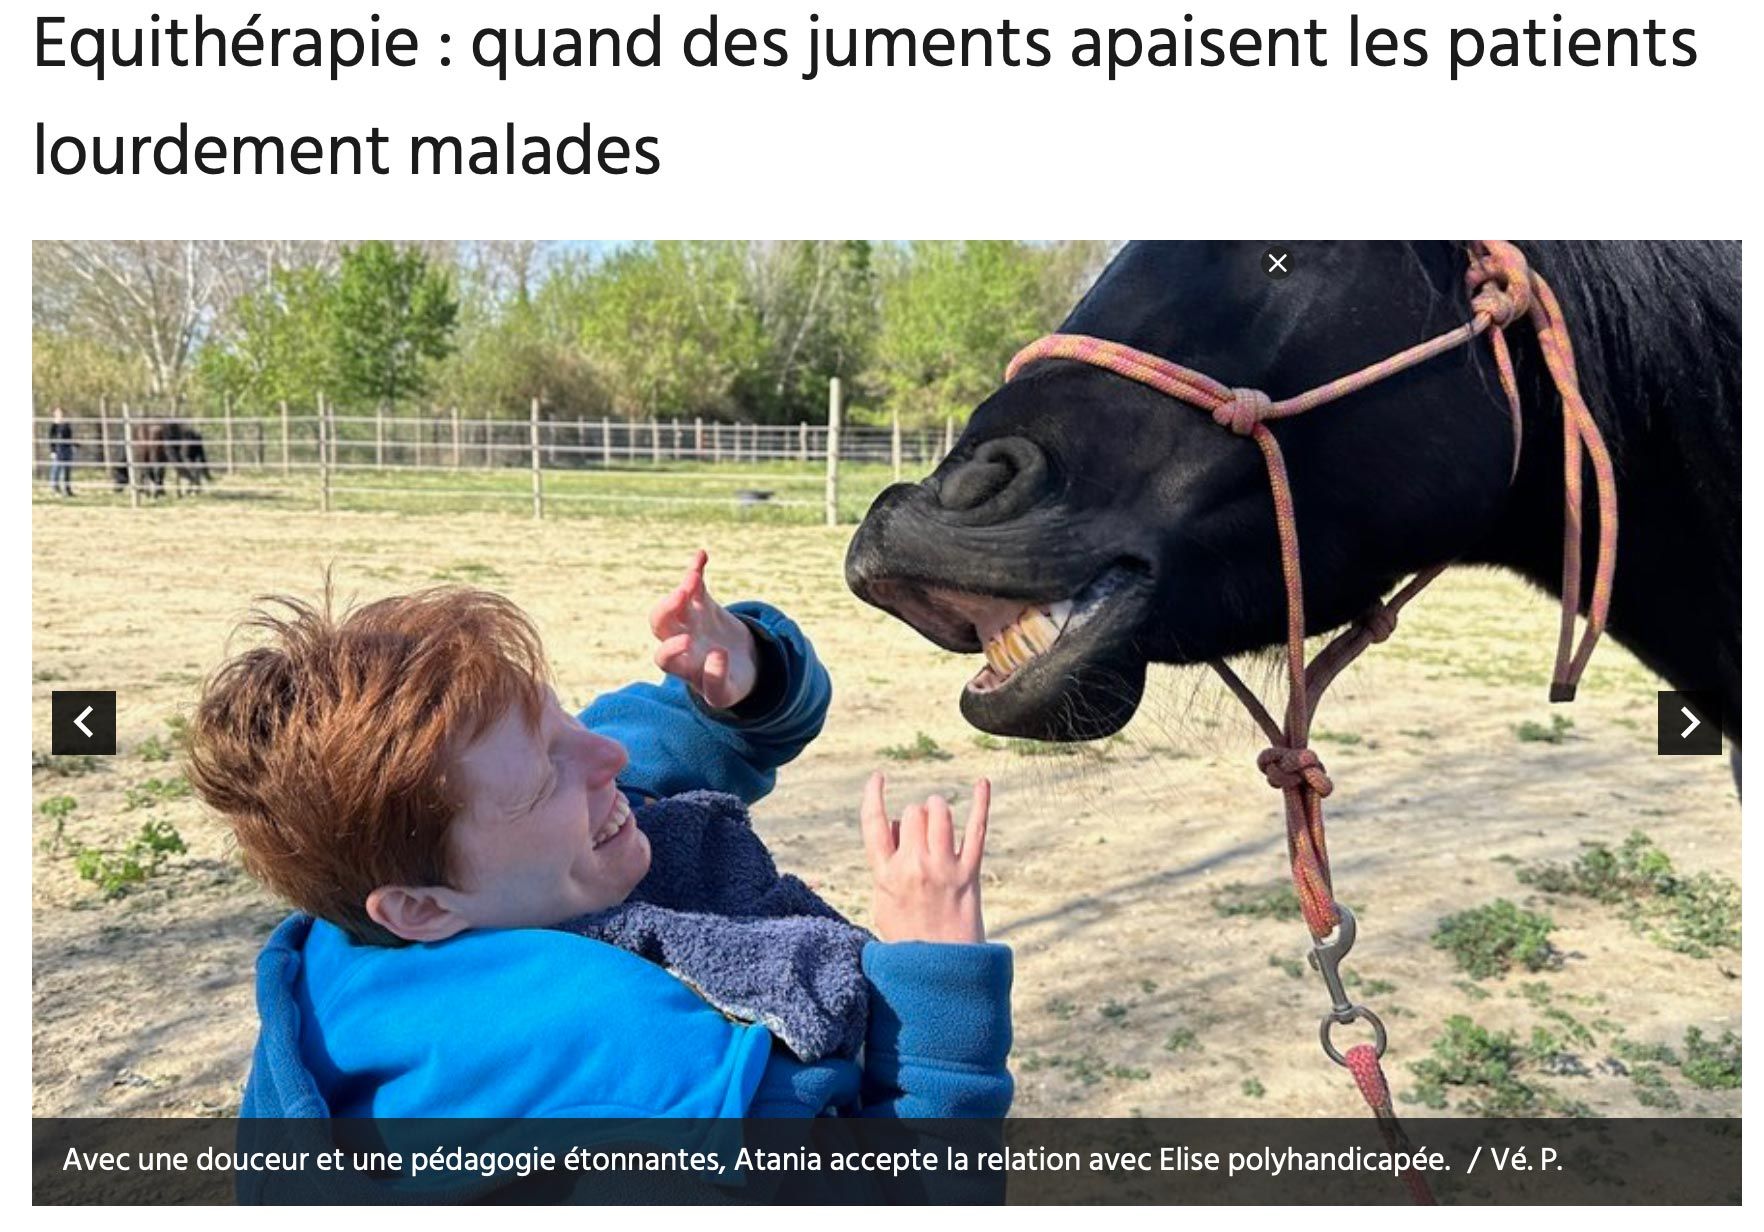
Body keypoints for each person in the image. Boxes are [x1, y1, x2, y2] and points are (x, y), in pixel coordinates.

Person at [187, 551, 1012, 1129]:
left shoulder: (466, 873)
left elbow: (691, 732)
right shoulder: (635, 1090)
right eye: (548, 772)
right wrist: (936, 984)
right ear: (418, 908)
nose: (607, 755)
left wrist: (744, 673)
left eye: (563, 720)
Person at [47, 407, 75, 496]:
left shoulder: (67, 425)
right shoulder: (54, 426)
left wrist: (73, 445)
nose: (61, 415)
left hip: (67, 449)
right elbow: (51, 439)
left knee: (67, 470)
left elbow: (69, 437)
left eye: (62, 413)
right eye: (58, 413)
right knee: (56, 470)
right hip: (58, 450)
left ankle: (67, 489)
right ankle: (55, 488)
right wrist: (53, 451)